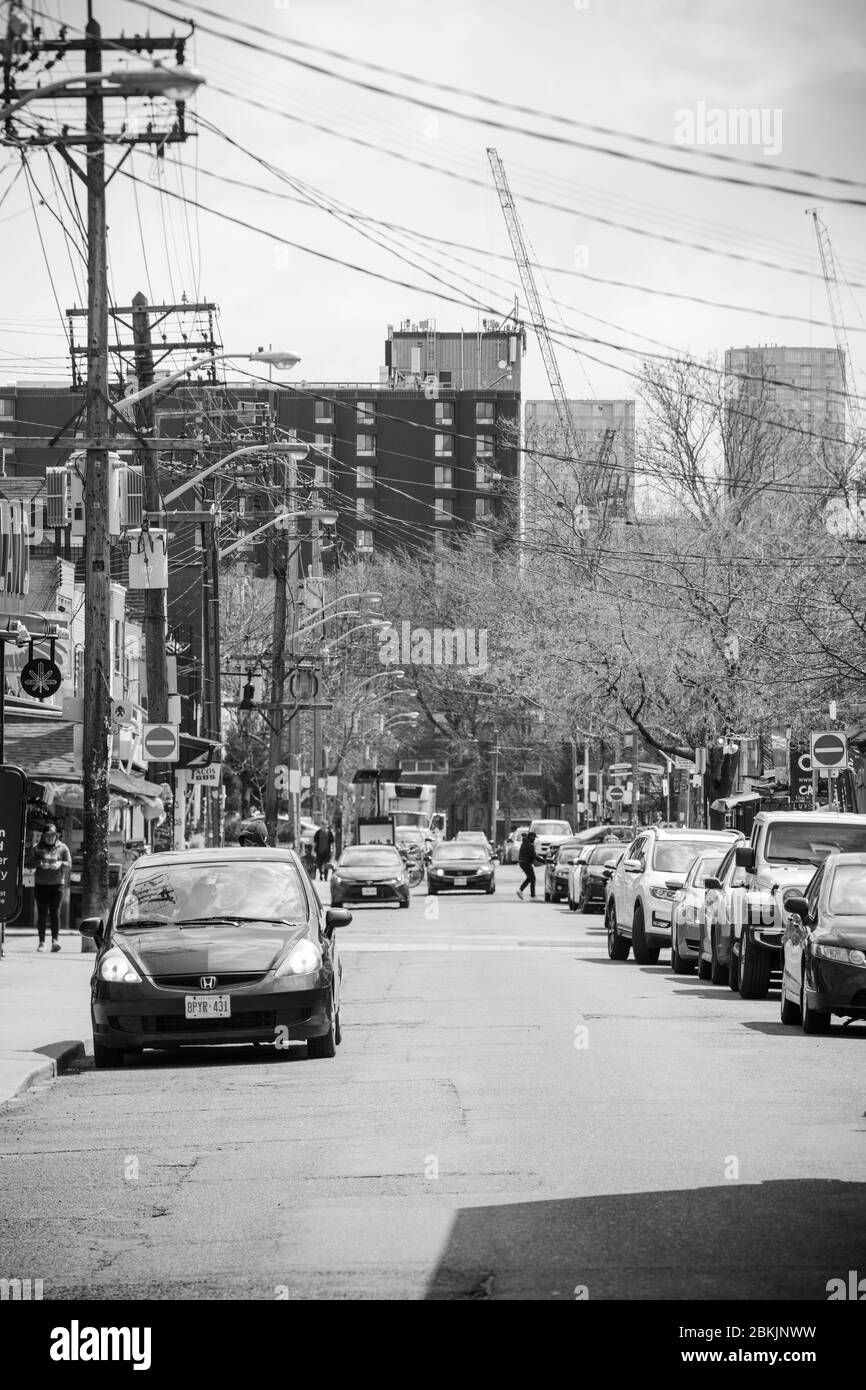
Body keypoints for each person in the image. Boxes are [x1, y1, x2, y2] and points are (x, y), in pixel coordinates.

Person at [32, 824, 72, 953]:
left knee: (55, 913)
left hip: (57, 885)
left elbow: (69, 864)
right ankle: (42, 942)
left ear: (56, 836)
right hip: (41, 884)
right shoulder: (36, 848)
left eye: (52, 835)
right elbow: (28, 863)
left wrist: (60, 863)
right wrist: (40, 863)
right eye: (47, 835)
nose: (50, 838)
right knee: (42, 913)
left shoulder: (63, 848)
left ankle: (55, 941)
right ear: (43, 836)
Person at [517, 829, 542, 901]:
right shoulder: (529, 844)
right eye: (534, 838)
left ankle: (520, 890)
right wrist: (542, 861)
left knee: (530, 878)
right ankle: (532, 896)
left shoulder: (525, 842)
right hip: (526, 863)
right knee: (532, 878)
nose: (534, 840)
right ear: (531, 837)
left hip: (523, 862)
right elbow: (533, 855)